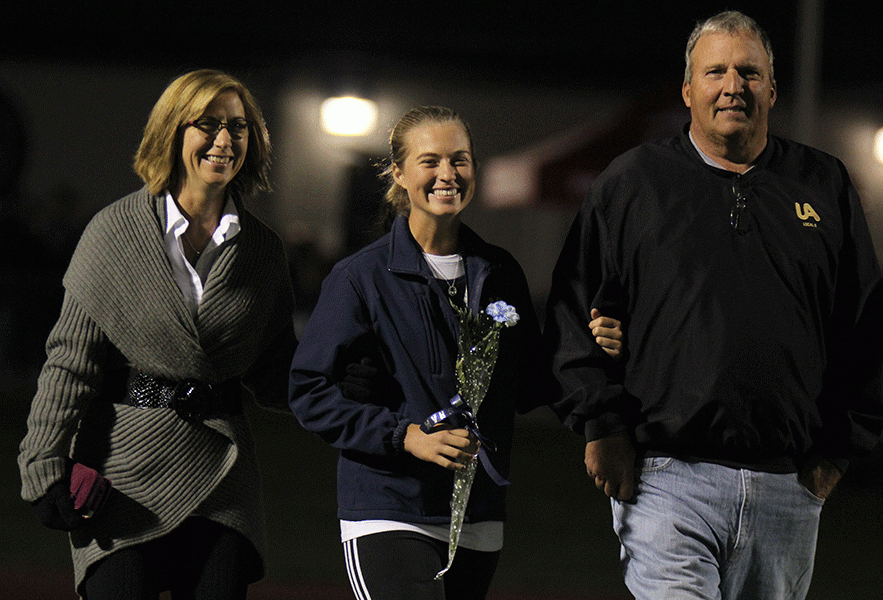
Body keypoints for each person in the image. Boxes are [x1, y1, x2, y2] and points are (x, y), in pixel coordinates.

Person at [543, 10, 883, 600]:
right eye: (716, 72)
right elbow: (575, 309)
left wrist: (835, 452)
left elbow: (861, 326)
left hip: (787, 485)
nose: (734, 86)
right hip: (666, 478)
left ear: (773, 90)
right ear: (687, 89)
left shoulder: (823, 185)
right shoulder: (633, 183)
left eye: (749, 73)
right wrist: (601, 423)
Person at [18, 69, 297, 599]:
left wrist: (347, 378)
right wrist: (44, 463)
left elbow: (275, 371)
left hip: (222, 477)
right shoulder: (113, 232)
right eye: (207, 124)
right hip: (120, 472)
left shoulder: (263, 251)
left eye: (237, 127)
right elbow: (70, 363)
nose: (224, 141)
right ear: (173, 131)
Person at [290, 106, 553, 600]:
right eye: (430, 161)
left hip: (476, 513)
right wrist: (404, 435)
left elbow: (532, 384)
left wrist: (594, 342)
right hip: (389, 505)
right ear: (399, 173)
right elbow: (309, 392)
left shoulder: (500, 272)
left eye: (460, 160)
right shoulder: (360, 277)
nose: (447, 174)